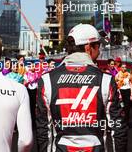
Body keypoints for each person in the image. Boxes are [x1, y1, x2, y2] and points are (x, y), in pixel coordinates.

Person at [36, 24, 127, 152]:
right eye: (98, 46)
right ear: (88, 47)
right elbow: (118, 128)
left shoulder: (47, 80)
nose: (99, 51)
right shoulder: (106, 79)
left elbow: (43, 130)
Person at [24, 63, 39, 127]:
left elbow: (38, 83)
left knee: (35, 107)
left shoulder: (37, 74)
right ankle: (29, 122)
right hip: (29, 90)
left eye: (34, 66)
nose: (33, 67)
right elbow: (24, 83)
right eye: (32, 66)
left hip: (35, 90)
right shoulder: (26, 74)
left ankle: (34, 122)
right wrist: (28, 82)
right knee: (30, 106)